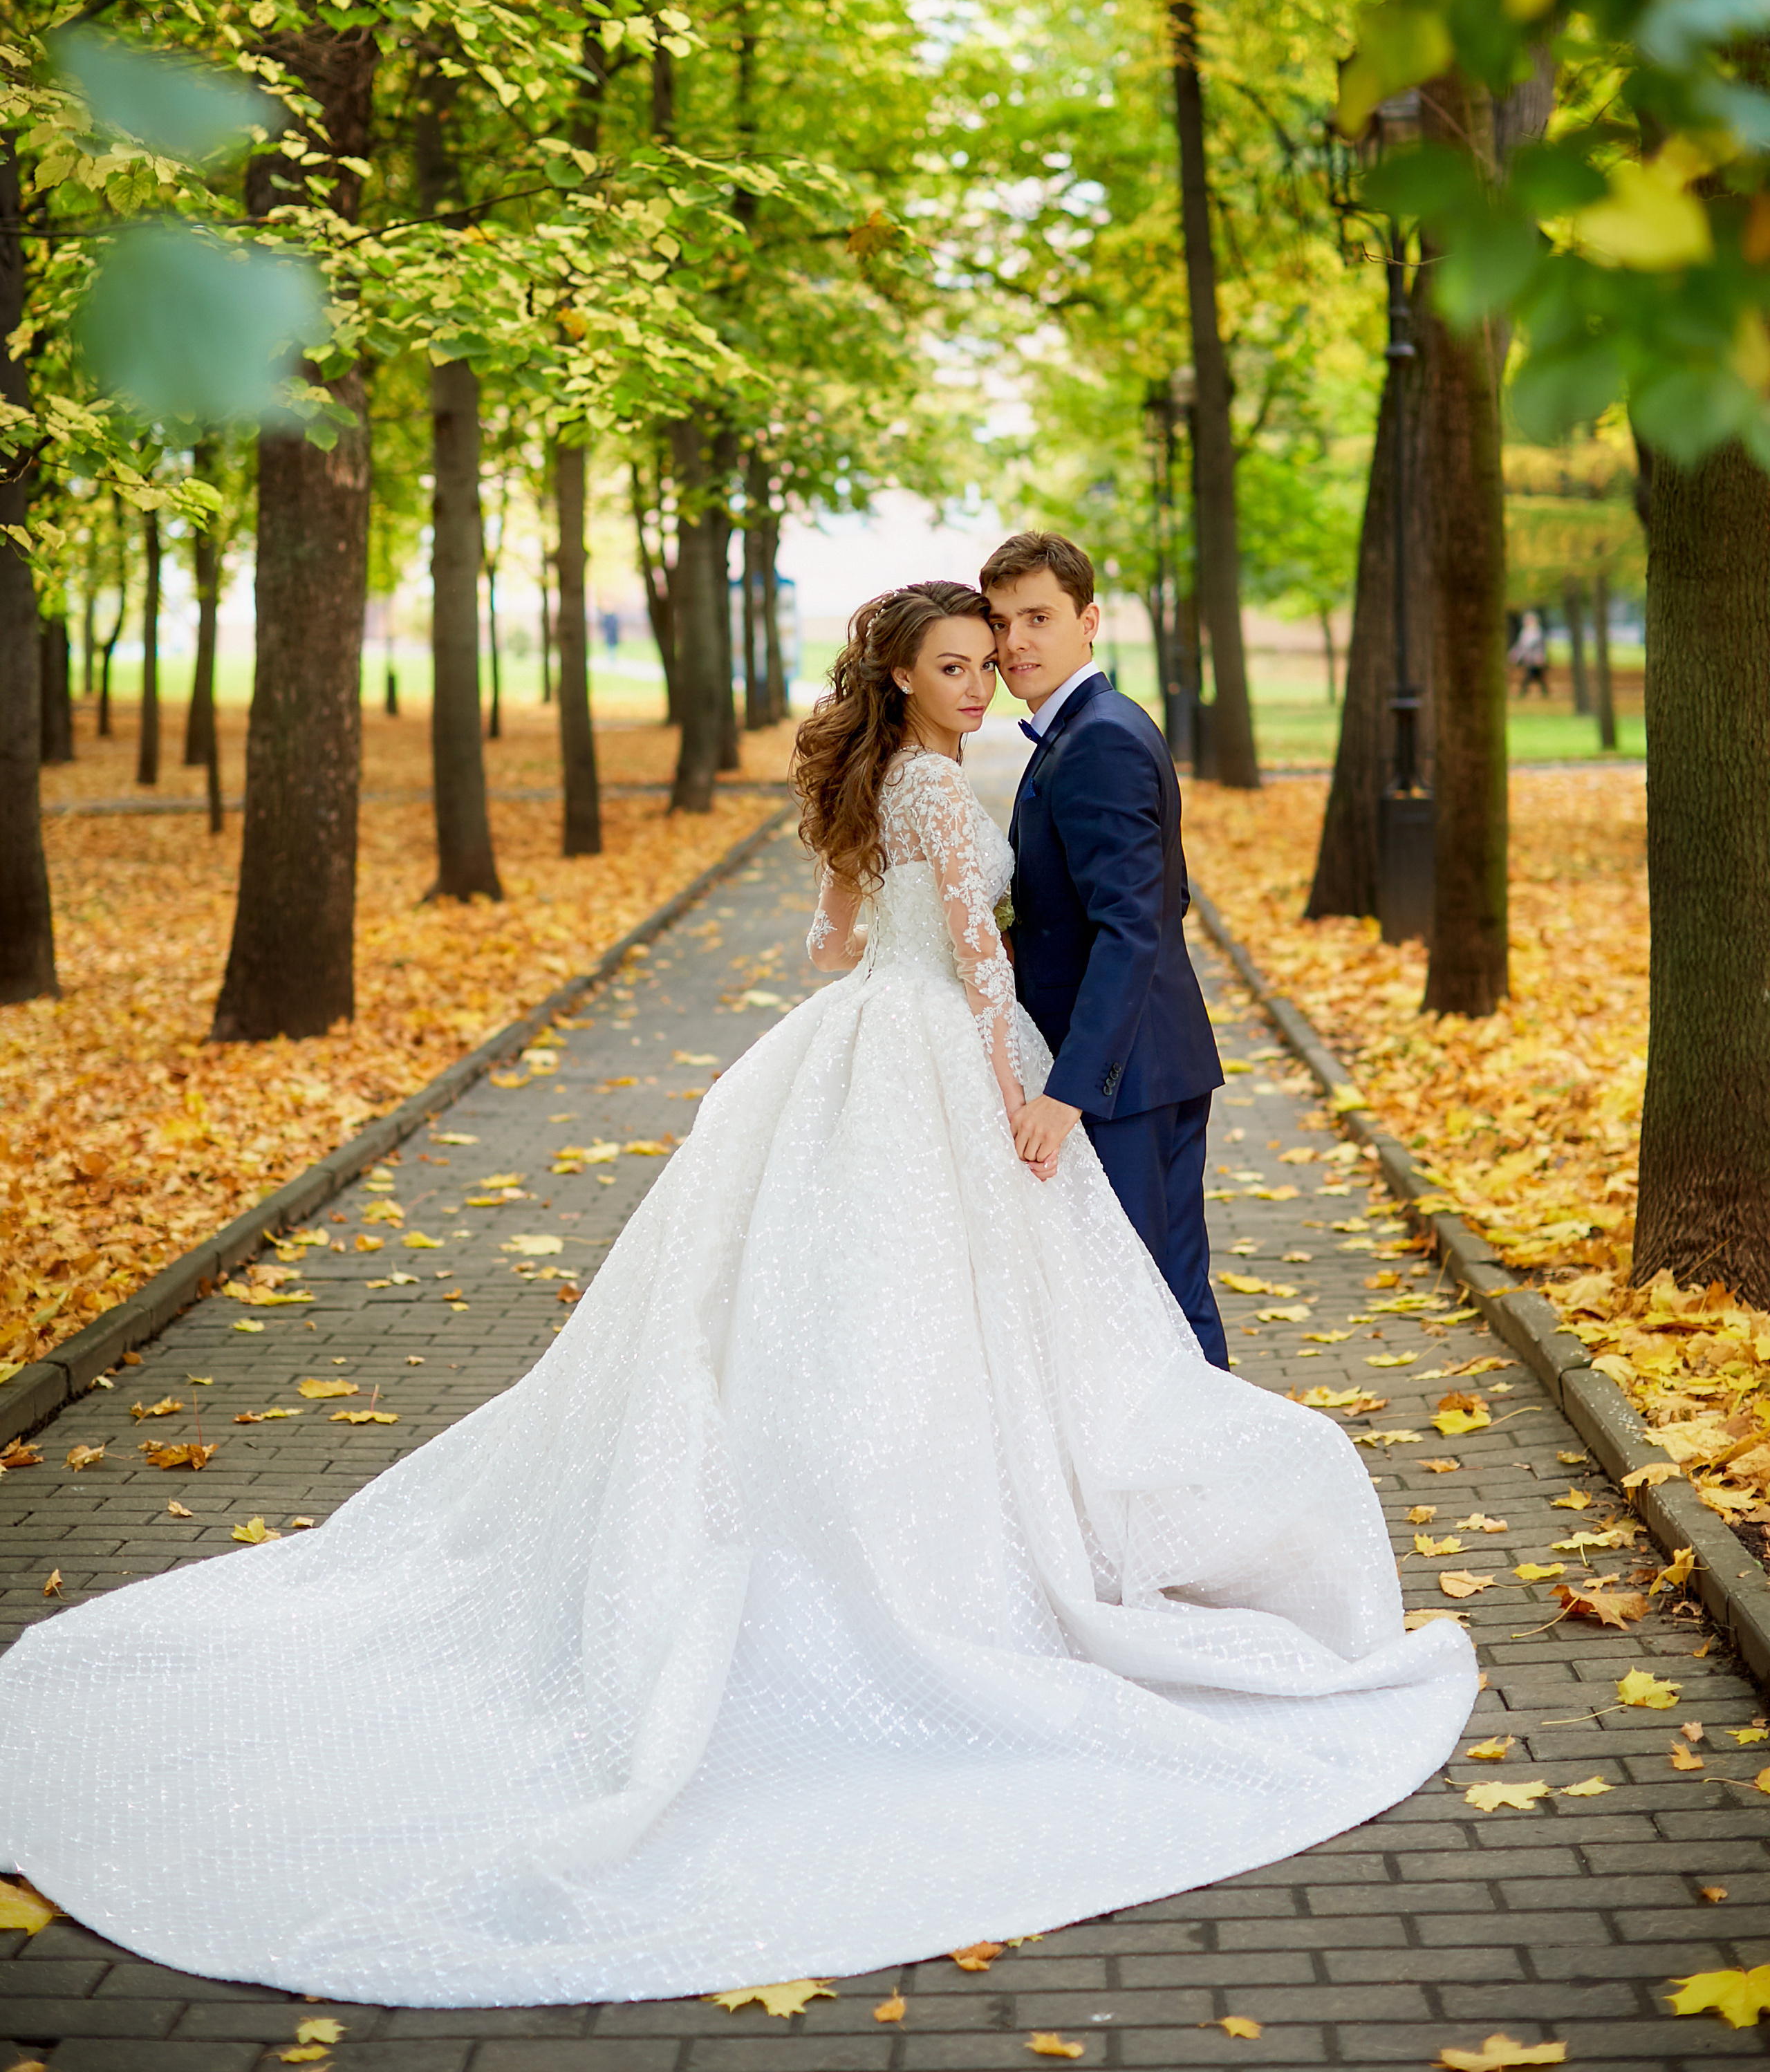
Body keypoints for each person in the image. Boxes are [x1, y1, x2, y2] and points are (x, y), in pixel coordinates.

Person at [0, 581, 1474, 2011]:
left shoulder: (875, 782)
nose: (981, 682)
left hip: (849, 1040)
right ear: (903, 675)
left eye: (991, 657)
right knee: (964, 1301)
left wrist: (892, 951)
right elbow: (973, 958)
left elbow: (831, 946)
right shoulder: (931, 785)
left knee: (845, 1302)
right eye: (956, 663)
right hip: (943, 1057)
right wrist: (1008, 1088)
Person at [983, 532, 1228, 1364]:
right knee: (1164, 1291)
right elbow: (1165, 896)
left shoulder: (1098, 740)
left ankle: (1204, 1480)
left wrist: (1068, 1091)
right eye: (1001, 620)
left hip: (1124, 1078)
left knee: (1147, 1299)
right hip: (1147, 1059)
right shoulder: (1088, 728)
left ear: (1088, 621)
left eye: (1039, 617)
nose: (1016, 642)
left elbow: (1133, 926)